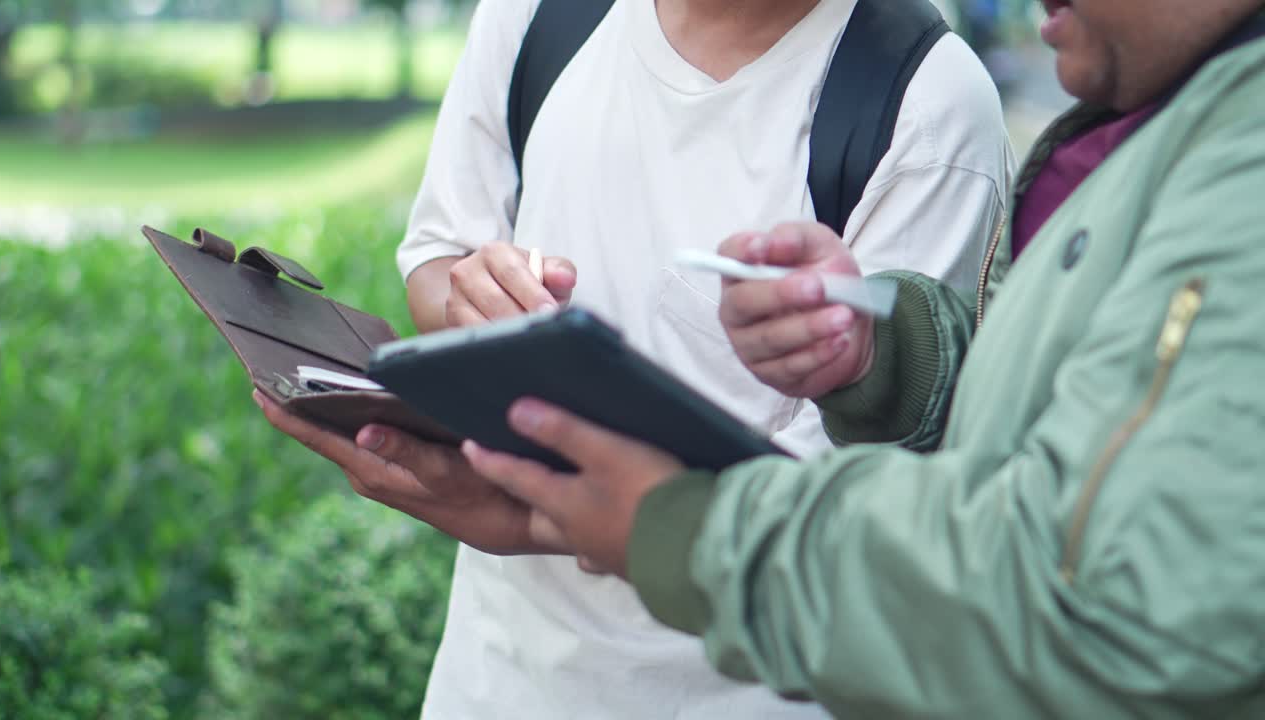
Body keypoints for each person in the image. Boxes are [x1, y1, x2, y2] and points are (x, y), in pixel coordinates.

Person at [461, 0, 1265, 717]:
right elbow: (1043, 419)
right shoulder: (1163, 119)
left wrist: (688, 530)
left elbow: (1116, 607)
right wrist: (883, 352)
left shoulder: (1237, 164)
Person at [257, 0, 1014, 717]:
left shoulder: (925, 102)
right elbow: (439, 260)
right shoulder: (538, 16)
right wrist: (477, 297)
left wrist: (518, 518)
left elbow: (859, 520)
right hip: (491, 682)